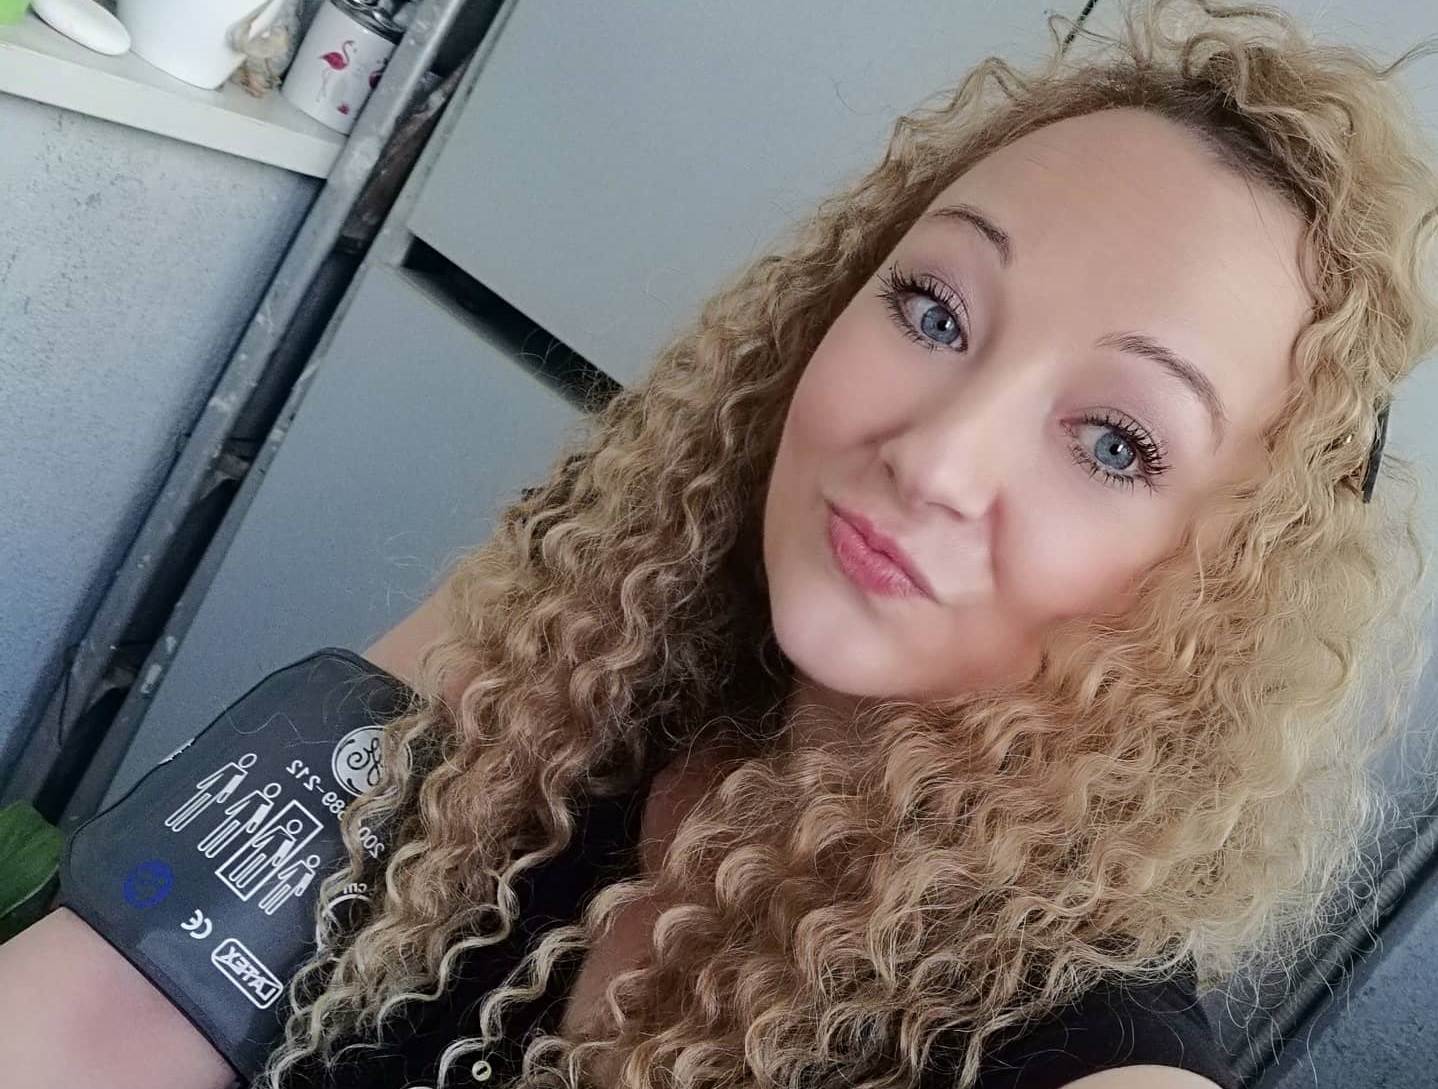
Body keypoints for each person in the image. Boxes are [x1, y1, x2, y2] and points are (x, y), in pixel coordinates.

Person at [3, 1, 1437, 1087]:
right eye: (935, 310)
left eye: (1114, 442)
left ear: (1223, 587)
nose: (935, 456)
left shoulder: (1077, 1049)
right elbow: (113, 1007)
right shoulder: (564, 643)